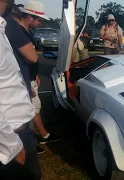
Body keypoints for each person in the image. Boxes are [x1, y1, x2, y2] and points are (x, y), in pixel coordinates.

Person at [0, 0, 42, 179]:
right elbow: (33, 57)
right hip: (12, 134)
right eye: (38, 19)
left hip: (17, 131)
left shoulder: (4, 25)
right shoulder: (13, 28)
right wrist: (12, 147)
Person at [18, 1, 62, 154]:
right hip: (24, 80)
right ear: (29, 17)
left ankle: (34, 137)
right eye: (38, 19)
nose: (40, 22)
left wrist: (35, 74)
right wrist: (26, 83)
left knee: (32, 108)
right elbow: (17, 62)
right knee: (30, 110)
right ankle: (35, 139)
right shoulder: (19, 33)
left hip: (29, 77)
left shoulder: (26, 32)